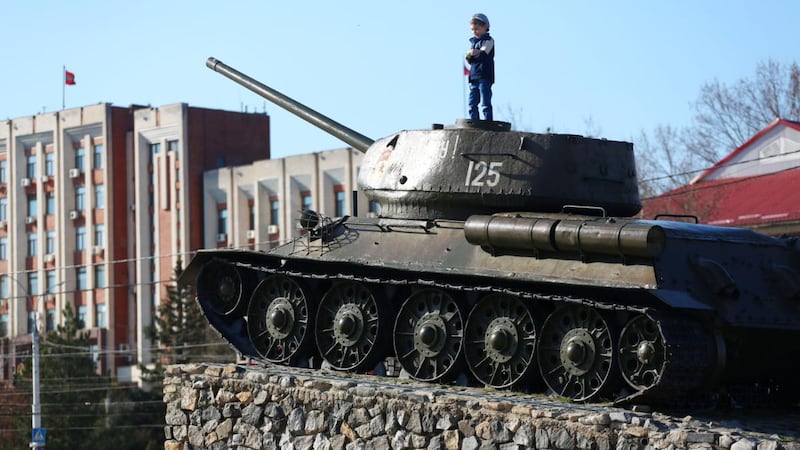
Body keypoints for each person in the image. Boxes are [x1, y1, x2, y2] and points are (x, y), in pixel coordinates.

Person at [466, 13, 495, 121]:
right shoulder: (473, 42)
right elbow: (469, 59)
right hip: (474, 76)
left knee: (485, 102)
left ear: (484, 27)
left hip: (485, 75)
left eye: (477, 29)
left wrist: (474, 53)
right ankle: (474, 121)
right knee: (472, 102)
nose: (475, 32)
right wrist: (472, 54)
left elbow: (483, 55)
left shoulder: (489, 41)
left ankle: (488, 121)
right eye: (473, 30)